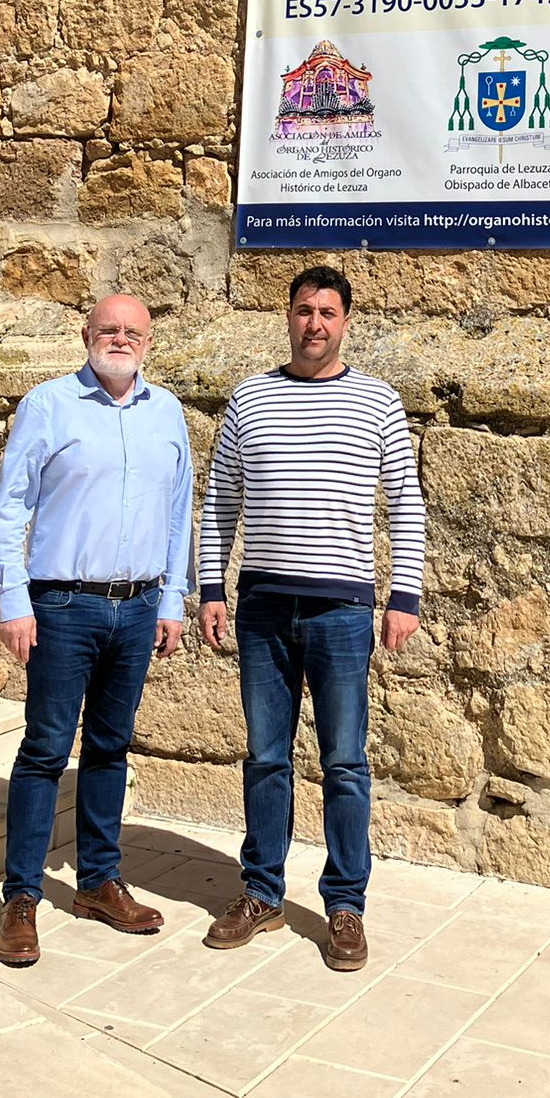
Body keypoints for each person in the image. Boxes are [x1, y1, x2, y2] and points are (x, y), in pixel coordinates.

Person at [197, 264, 424, 972]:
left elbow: (407, 504)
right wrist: (211, 588)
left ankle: (345, 906)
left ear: (345, 321)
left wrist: (404, 597)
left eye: (327, 311)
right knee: (266, 758)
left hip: (342, 610)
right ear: (288, 318)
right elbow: (219, 504)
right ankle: (261, 892)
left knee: (345, 764)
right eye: (303, 310)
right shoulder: (250, 399)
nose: (314, 323)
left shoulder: (378, 403)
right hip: (264, 605)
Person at [0, 293, 193, 967]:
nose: (120, 339)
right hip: (62, 606)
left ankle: (99, 881)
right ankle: (20, 898)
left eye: (132, 331)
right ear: (86, 335)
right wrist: (12, 599)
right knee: (45, 750)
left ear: (148, 342)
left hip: (136, 607)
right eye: (109, 329)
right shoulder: (48, 406)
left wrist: (172, 598)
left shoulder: (168, 413)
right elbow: (10, 508)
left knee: (109, 746)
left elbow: (178, 508)